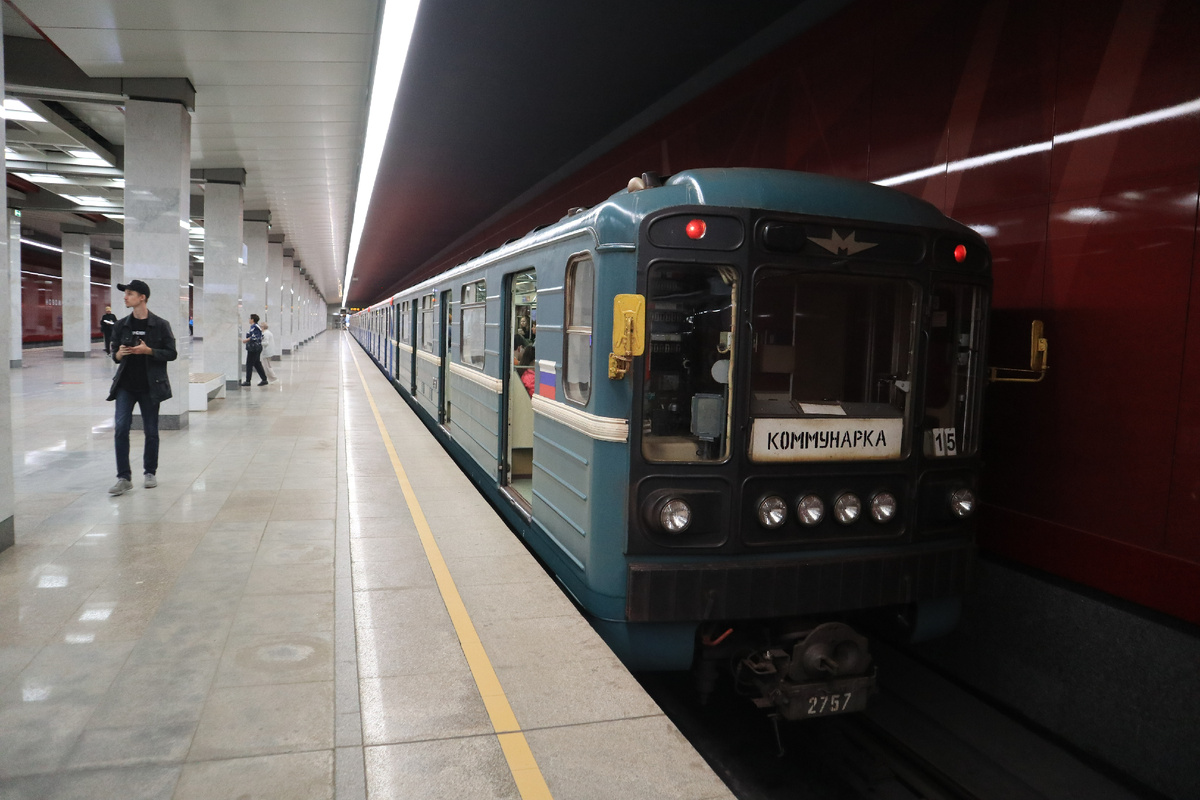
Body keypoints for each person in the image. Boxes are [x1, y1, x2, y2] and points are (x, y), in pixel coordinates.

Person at [107, 280, 177, 496]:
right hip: (125, 386)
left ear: (142, 297)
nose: (125, 297)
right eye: (126, 293)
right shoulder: (121, 325)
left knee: (151, 430)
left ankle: (150, 472)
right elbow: (114, 354)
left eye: (130, 293)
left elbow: (171, 353)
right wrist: (120, 354)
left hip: (150, 386)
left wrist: (149, 351)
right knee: (121, 428)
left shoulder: (160, 325)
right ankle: (123, 477)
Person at [242, 314, 268, 386]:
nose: (249, 320)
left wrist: (247, 340)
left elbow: (256, 337)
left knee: (249, 364)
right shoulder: (255, 326)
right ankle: (264, 379)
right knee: (257, 363)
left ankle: (248, 381)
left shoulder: (255, 327)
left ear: (252, 319)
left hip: (254, 348)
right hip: (255, 348)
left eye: (250, 318)